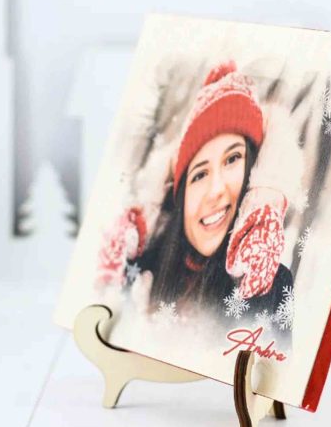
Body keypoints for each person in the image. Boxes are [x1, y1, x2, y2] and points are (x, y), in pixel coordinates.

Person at [96, 61, 304, 336]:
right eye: (199, 174)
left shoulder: (272, 283)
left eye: (232, 159)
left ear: (253, 174)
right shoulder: (138, 272)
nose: (215, 189)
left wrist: (257, 290)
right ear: (180, 197)